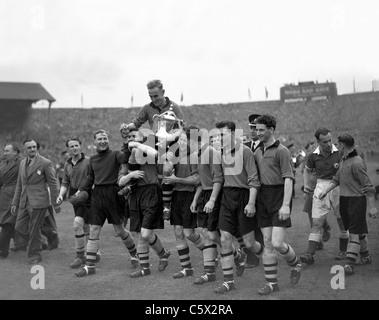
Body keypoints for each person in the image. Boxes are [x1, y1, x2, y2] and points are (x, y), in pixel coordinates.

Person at [74, 129, 138, 277]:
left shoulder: (115, 154)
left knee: (120, 230)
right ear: (94, 142)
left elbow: (126, 158)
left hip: (113, 194)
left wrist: (126, 142)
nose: (103, 141)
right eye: (99, 139)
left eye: (105, 138)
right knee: (94, 228)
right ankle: (90, 266)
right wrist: (81, 189)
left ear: (108, 140)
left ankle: (135, 254)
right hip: (97, 195)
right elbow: (90, 178)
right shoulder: (93, 160)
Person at [212, 121, 263, 294]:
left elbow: (254, 179)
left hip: (243, 197)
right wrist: (212, 200)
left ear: (233, 134)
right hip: (227, 197)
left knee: (249, 243)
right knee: (225, 239)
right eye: (218, 135)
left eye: (223, 135)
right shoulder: (220, 153)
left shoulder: (246, 151)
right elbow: (219, 178)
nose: (220, 138)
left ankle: (267, 252)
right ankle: (228, 282)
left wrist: (251, 202)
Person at [254, 114, 302, 295]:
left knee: (277, 242)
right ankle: (272, 283)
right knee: (267, 241)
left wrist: (286, 205)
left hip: (279, 196)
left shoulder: (282, 151)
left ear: (271, 130)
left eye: (261, 130)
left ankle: (296, 263)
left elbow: (289, 179)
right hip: (263, 198)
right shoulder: (258, 151)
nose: (257, 133)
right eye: (256, 130)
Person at [318, 134, 377, 275]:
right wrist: (325, 190)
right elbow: (336, 179)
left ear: (343, 146)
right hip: (344, 201)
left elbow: (369, 187)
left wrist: (372, 207)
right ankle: (366, 256)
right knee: (359, 231)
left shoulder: (356, 162)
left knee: (354, 234)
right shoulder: (344, 160)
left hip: (356, 201)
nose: (337, 147)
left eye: (338, 145)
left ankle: (350, 264)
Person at [119, 128, 171, 278]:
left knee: (146, 232)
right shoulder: (127, 157)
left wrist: (135, 144)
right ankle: (145, 268)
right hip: (135, 194)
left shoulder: (150, 150)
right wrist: (131, 175)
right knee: (140, 234)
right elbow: (121, 182)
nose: (132, 138)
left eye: (135, 136)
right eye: (130, 137)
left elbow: (156, 154)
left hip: (151, 192)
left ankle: (162, 254)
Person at [300, 128, 349, 266]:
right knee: (316, 222)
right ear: (318, 141)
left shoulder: (340, 152)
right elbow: (307, 171)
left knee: (341, 220)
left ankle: (343, 250)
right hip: (321, 187)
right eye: (324, 142)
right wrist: (306, 186)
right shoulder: (312, 155)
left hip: (338, 186)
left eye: (329, 140)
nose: (328, 144)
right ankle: (310, 255)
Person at [162, 129, 205, 278]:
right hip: (177, 196)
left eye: (184, 140)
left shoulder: (194, 157)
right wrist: (167, 159)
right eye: (179, 140)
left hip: (189, 195)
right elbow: (166, 174)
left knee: (189, 233)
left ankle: (210, 254)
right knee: (178, 233)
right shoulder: (174, 156)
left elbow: (197, 180)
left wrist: (177, 180)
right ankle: (186, 269)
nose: (182, 143)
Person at [10, 139, 61, 264]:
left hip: (39, 202)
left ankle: (35, 256)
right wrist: (15, 203)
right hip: (24, 202)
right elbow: (19, 185)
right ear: (24, 150)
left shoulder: (45, 163)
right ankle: (45, 238)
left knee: (34, 230)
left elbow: (53, 184)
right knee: (19, 227)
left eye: (34, 147)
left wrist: (56, 203)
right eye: (29, 148)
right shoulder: (22, 163)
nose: (33, 149)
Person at [188, 126, 223, 286]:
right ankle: (209, 273)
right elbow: (201, 182)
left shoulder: (210, 152)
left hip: (213, 195)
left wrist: (212, 200)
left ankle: (237, 254)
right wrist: (195, 200)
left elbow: (218, 178)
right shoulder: (198, 155)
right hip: (204, 195)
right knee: (206, 233)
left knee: (213, 235)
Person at [56, 136, 93, 269]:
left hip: (88, 194)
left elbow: (93, 179)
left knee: (79, 224)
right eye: (71, 146)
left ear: (80, 146)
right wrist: (61, 195)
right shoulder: (67, 164)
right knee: (84, 225)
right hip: (75, 196)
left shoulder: (89, 161)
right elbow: (65, 183)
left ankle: (82, 255)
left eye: (76, 145)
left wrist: (84, 189)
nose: (74, 148)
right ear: (68, 149)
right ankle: (89, 253)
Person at [0, 143, 22, 258]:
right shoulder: (4, 164)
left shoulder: (21, 163)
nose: (4, 153)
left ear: (15, 152)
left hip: (14, 196)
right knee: (8, 223)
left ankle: (3, 250)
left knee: (7, 223)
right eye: (4, 151)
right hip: (4, 196)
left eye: (7, 151)